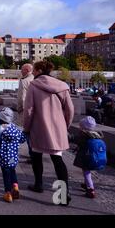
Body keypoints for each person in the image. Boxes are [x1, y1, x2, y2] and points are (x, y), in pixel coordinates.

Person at [23, 60, 74, 206]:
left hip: (38, 128)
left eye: (34, 69)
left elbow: (29, 110)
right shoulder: (62, 86)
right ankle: (63, 194)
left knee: (36, 157)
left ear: (38, 70)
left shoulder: (34, 85)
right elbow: (70, 110)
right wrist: (65, 126)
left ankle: (38, 184)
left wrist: (26, 128)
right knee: (58, 160)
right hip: (58, 129)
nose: (32, 72)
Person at [0, 107, 27, 203]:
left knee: (6, 174)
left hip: (3, 156)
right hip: (13, 157)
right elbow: (22, 139)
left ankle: (8, 193)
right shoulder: (14, 128)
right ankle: (16, 187)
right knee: (12, 171)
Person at [72, 116, 106, 199]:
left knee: (86, 172)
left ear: (83, 127)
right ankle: (86, 184)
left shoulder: (84, 136)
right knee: (87, 172)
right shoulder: (97, 135)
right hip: (95, 158)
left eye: (80, 126)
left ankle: (91, 189)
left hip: (87, 159)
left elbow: (74, 139)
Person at [17, 63, 34, 163]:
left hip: (25, 110)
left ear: (27, 70)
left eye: (22, 70)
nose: (21, 71)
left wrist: (20, 109)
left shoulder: (24, 81)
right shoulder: (34, 79)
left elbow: (22, 97)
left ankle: (32, 155)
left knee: (27, 133)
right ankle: (34, 154)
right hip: (34, 110)